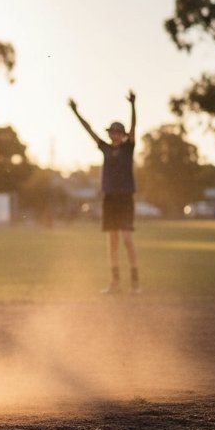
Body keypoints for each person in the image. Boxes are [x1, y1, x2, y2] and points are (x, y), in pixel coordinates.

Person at [69, 91, 140, 294]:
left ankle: (135, 283)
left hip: (125, 198)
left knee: (127, 239)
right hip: (109, 198)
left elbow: (134, 126)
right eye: (112, 132)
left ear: (123, 134)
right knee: (112, 242)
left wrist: (133, 106)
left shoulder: (128, 148)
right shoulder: (106, 149)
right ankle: (115, 283)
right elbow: (89, 129)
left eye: (118, 132)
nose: (114, 135)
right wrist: (75, 111)